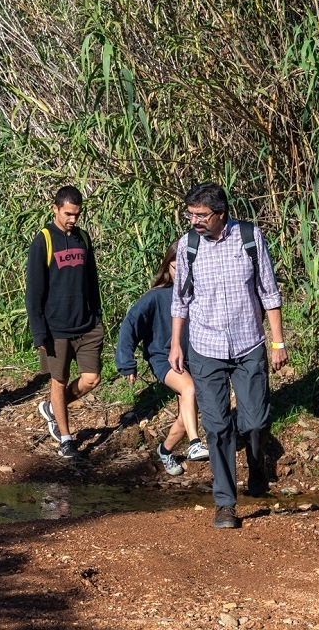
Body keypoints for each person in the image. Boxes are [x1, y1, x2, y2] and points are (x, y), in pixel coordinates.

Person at [169, 182, 287, 530]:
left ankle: (256, 468)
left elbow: (269, 292)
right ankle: (225, 503)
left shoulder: (250, 238)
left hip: (249, 344)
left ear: (221, 214)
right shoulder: (188, 246)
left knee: (255, 421)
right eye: (190, 214)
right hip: (205, 349)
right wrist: (176, 344)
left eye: (201, 215)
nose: (194, 221)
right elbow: (180, 300)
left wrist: (277, 342)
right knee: (217, 426)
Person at [114, 241, 209, 476]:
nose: (182, 274)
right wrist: (126, 362)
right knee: (190, 390)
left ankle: (165, 451)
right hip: (163, 358)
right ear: (168, 267)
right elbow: (130, 324)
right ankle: (196, 444)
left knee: (185, 416)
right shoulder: (156, 297)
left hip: (193, 358)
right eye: (177, 268)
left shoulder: (200, 293)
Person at [27, 185, 105, 460]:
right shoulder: (44, 240)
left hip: (87, 326)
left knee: (92, 379)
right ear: (56, 209)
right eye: (68, 214)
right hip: (56, 329)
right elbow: (33, 293)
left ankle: (52, 407)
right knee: (58, 381)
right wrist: (39, 335)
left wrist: (97, 316)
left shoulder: (83, 238)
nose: (73, 219)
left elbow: (92, 280)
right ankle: (66, 438)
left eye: (77, 214)